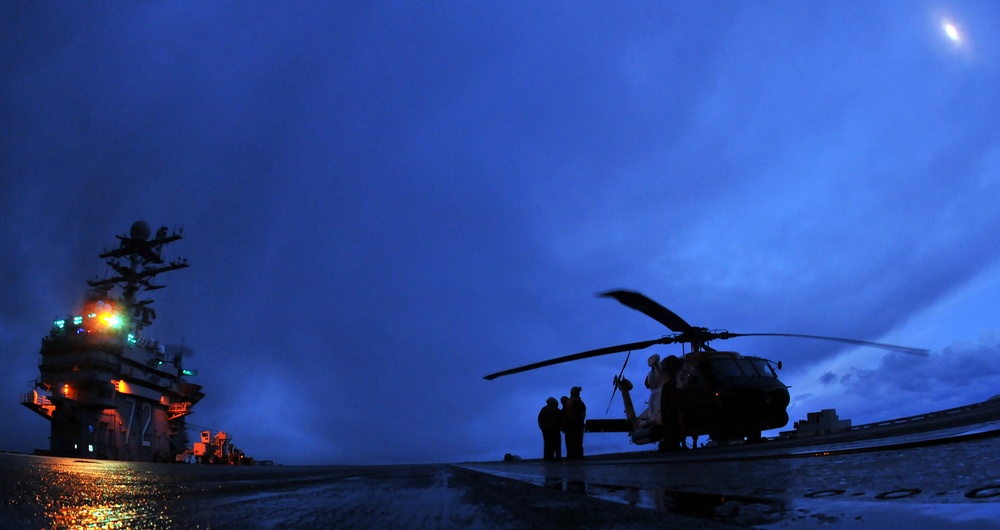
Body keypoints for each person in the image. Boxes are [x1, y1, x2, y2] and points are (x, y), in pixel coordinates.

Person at [564, 386, 587, 459]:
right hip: (576, 424)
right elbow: (578, 414)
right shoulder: (576, 401)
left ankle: (571, 455)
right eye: (578, 392)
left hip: (570, 424)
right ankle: (577, 456)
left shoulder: (569, 401)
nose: (579, 393)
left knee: (571, 441)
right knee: (577, 441)